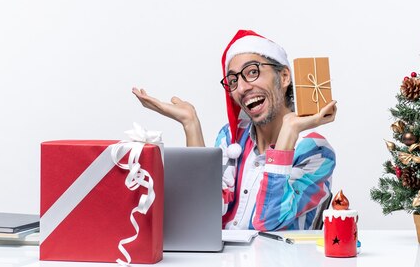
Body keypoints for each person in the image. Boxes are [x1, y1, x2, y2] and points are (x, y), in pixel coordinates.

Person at [133, 29, 337, 231]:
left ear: (284, 77)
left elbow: (269, 222)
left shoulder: (316, 151)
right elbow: (204, 211)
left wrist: (288, 133)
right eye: (233, 81)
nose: (241, 88)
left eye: (252, 72)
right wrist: (191, 124)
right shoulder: (230, 138)